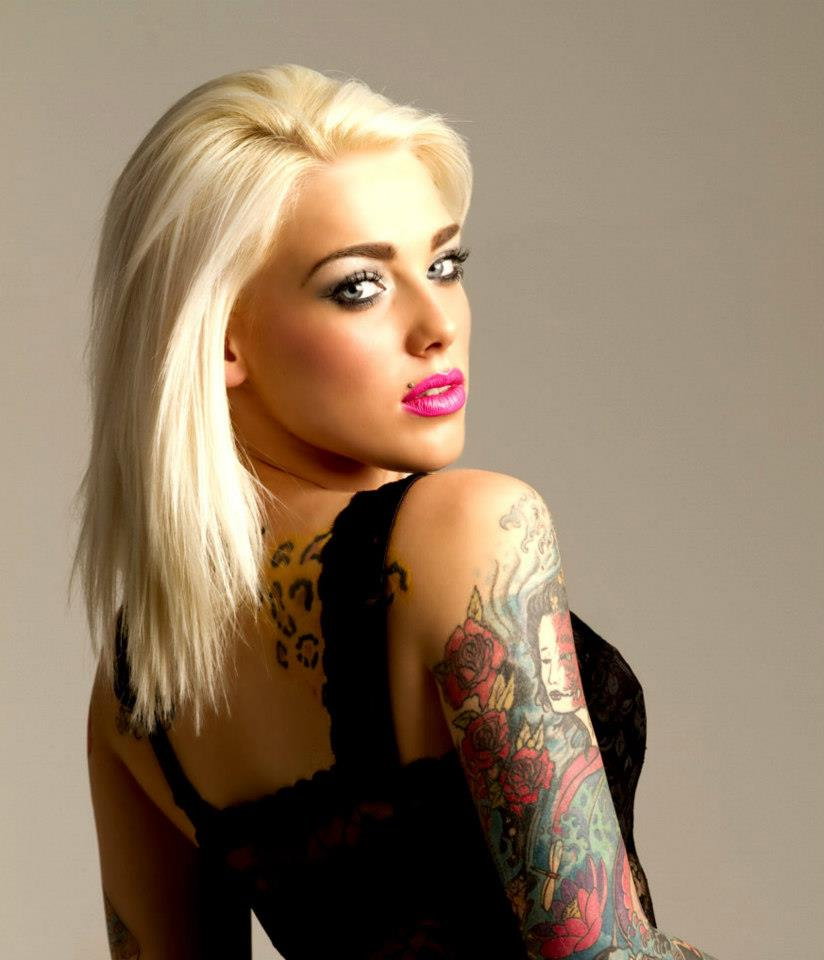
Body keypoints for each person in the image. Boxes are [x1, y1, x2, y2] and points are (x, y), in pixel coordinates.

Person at [74, 63, 720, 959]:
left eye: (443, 265)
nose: (437, 324)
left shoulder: (137, 690)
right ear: (222, 338)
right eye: (359, 286)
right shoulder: (470, 531)